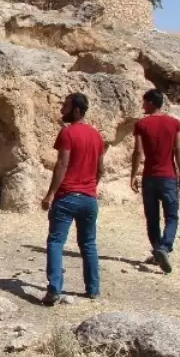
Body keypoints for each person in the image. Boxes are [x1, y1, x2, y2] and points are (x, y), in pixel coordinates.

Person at [41, 92, 107, 306]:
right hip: (89, 199)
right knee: (88, 244)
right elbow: (101, 169)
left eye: (65, 105)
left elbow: (62, 164)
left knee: (55, 241)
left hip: (67, 196)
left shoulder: (67, 133)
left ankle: (54, 288)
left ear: (76, 110)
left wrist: (50, 193)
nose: (62, 110)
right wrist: (90, 188)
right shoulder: (96, 136)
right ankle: (93, 289)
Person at [131, 89, 180, 274]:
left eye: (144, 102)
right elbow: (178, 149)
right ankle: (164, 247)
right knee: (172, 216)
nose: (142, 105)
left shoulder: (141, 124)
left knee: (152, 217)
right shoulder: (174, 123)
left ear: (152, 103)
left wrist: (133, 174)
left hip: (150, 177)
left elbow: (138, 152)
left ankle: (158, 249)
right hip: (169, 176)